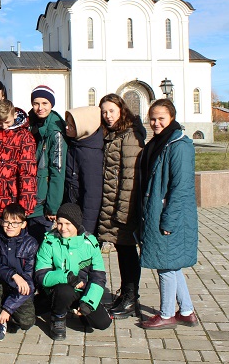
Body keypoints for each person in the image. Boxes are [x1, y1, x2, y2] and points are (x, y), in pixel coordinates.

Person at [139, 99, 199, 330]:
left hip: (168, 214)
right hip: (158, 210)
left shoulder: (178, 146)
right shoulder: (160, 143)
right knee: (172, 264)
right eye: (152, 118)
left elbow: (181, 187)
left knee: (165, 264)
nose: (156, 123)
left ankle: (165, 314)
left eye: (161, 118)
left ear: (171, 118)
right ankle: (186, 311)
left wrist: (169, 220)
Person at [35, 203, 111, 341]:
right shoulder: (49, 242)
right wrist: (66, 277)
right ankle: (58, 317)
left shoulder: (90, 243)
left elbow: (98, 277)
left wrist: (89, 302)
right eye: (59, 223)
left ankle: (81, 309)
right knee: (64, 291)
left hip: (81, 291)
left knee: (103, 323)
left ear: (76, 223)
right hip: (55, 290)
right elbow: (41, 275)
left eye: (68, 223)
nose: (63, 228)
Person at [97, 94, 144, 318]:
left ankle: (130, 297)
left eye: (111, 111)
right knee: (122, 250)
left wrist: (124, 210)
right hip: (112, 202)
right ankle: (126, 294)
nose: (107, 116)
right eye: (104, 112)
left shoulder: (130, 135)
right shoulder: (113, 134)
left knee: (127, 251)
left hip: (123, 205)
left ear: (121, 110)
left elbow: (129, 176)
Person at [0, 99, 37, 264]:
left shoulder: (24, 137)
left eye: (7, 122)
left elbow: (27, 173)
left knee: (10, 248)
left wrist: (24, 206)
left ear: (14, 115)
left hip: (11, 201)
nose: (3, 125)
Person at [0, 203, 38, 341]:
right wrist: (13, 275)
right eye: (6, 222)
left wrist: (8, 308)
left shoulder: (31, 244)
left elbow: (30, 282)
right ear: (1, 222)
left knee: (27, 322)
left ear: (23, 224)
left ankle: (6, 313)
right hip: (0, 284)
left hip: (18, 289)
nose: (10, 226)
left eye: (15, 223)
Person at [27, 85, 67, 244]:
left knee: (39, 245)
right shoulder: (29, 123)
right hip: (28, 196)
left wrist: (53, 206)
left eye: (45, 103)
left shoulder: (55, 131)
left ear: (52, 104)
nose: (40, 108)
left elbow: (57, 169)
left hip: (42, 199)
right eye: (36, 103)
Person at [64, 106, 105, 234]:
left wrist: (86, 231)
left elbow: (92, 195)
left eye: (72, 125)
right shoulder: (77, 144)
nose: (67, 127)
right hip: (74, 211)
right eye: (67, 123)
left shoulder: (90, 154)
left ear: (83, 128)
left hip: (83, 218)